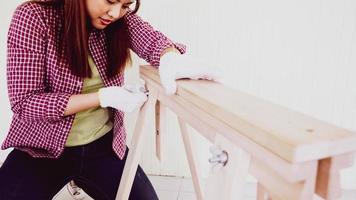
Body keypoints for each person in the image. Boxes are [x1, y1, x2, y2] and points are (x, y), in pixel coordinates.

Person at [0, 0, 220, 199]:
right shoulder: (33, 17)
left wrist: (170, 57)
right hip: (41, 149)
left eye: (125, 5)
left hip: (102, 146)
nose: (114, 13)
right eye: (110, 1)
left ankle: (78, 180)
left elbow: (152, 40)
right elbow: (25, 102)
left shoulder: (120, 20)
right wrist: (102, 97)